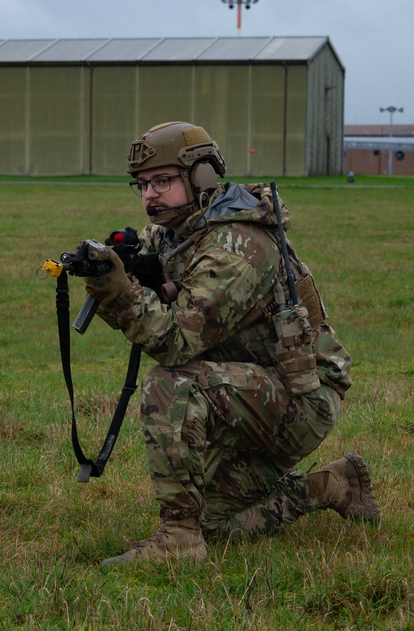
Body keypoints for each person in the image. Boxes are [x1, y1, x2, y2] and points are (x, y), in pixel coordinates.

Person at [75, 121, 379, 567]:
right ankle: (332, 485)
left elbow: (178, 342)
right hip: (246, 391)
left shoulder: (238, 243)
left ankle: (179, 539)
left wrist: (121, 293)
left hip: (301, 398)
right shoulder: (177, 234)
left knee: (172, 384)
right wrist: (113, 277)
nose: (150, 196)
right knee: (218, 525)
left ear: (201, 177)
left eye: (163, 181)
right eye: (142, 185)